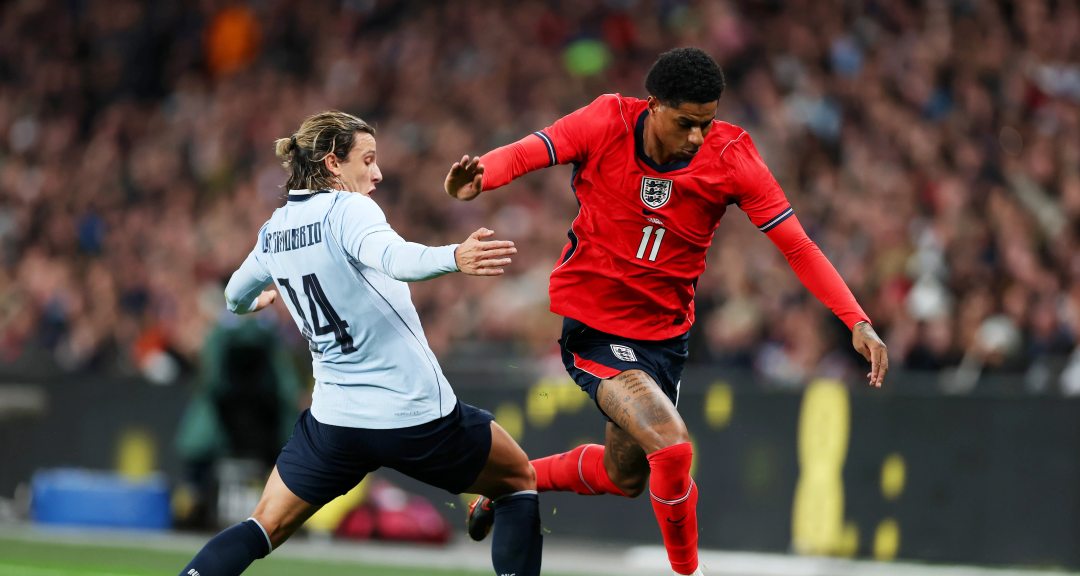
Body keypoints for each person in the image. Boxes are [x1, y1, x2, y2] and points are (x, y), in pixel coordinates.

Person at [445, 48, 888, 576]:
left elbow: (797, 246)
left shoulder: (733, 158)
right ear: (653, 106)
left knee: (624, 476)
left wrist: (856, 319)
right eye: (686, 123)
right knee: (674, 449)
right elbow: (529, 151)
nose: (698, 136)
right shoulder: (606, 120)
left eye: (708, 122)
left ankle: (504, 487)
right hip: (595, 327)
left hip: (664, 341)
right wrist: (481, 178)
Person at [179, 111, 542, 576]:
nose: (377, 173)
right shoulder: (348, 209)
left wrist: (258, 301)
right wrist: (456, 255)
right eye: (367, 160)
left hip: (335, 424)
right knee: (517, 480)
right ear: (333, 163)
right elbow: (394, 257)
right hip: (412, 415)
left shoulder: (274, 230)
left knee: (263, 525)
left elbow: (233, 296)